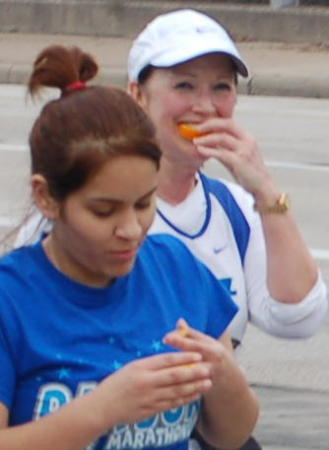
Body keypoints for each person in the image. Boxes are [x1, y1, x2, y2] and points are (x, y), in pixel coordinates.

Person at [0, 44, 259, 449]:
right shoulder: (12, 299)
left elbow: (231, 434)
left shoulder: (179, 271)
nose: (131, 229)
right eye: (103, 211)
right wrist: (102, 409)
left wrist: (223, 375)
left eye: (144, 203)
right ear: (47, 198)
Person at [125, 8, 328, 450]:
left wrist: (264, 190)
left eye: (221, 88)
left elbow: (298, 316)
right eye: (184, 85)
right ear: (138, 95)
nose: (204, 106)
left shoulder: (231, 206)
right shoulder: (102, 212)